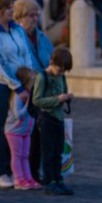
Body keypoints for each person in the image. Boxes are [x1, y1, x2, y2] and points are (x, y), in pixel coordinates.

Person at [0, 0, 39, 190]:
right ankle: (2, 171)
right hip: (0, 85)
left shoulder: (17, 29)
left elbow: (26, 53)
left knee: (20, 126)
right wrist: (17, 86)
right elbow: (0, 63)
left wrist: (29, 78)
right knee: (3, 126)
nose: (12, 11)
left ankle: (20, 172)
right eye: (8, 8)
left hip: (22, 82)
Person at [12, 0, 53, 181]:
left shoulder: (42, 37)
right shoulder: (13, 37)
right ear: (19, 17)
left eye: (37, 15)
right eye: (30, 15)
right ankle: (19, 172)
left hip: (42, 90)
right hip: (23, 91)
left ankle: (35, 171)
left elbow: (52, 60)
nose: (35, 19)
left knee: (38, 132)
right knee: (21, 133)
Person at [30, 46, 74, 195]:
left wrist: (67, 97)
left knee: (58, 152)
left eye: (64, 71)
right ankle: (49, 182)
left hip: (59, 118)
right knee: (48, 153)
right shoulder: (42, 77)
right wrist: (57, 99)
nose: (61, 73)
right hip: (46, 118)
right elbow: (36, 100)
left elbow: (63, 91)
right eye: (59, 70)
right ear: (51, 63)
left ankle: (58, 179)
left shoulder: (62, 77)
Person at [6, 67, 41, 190]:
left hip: (25, 130)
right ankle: (19, 180)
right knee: (17, 155)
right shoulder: (18, 96)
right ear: (25, 82)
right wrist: (28, 104)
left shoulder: (30, 95)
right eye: (33, 83)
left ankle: (28, 178)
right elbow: (18, 115)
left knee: (25, 155)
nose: (35, 86)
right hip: (14, 131)